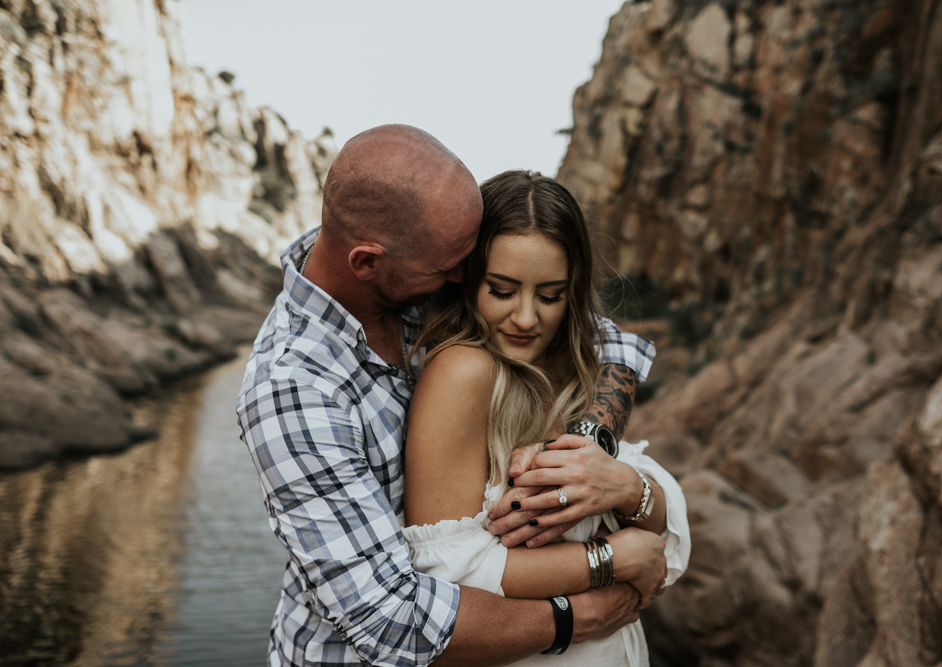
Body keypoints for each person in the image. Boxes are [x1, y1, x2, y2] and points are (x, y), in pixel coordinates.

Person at [236, 125, 662, 667]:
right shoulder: (293, 391)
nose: (466, 277)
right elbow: (392, 622)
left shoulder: (418, 277)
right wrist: (586, 606)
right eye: (455, 268)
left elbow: (607, 342)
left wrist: (586, 449)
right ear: (367, 264)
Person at [402, 170, 690, 665]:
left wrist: (626, 488)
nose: (527, 318)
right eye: (502, 289)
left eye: (551, 295)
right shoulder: (464, 372)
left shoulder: (576, 367)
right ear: (468, 279)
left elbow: (667, 540)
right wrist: (612, 558)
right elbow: (448, 574)